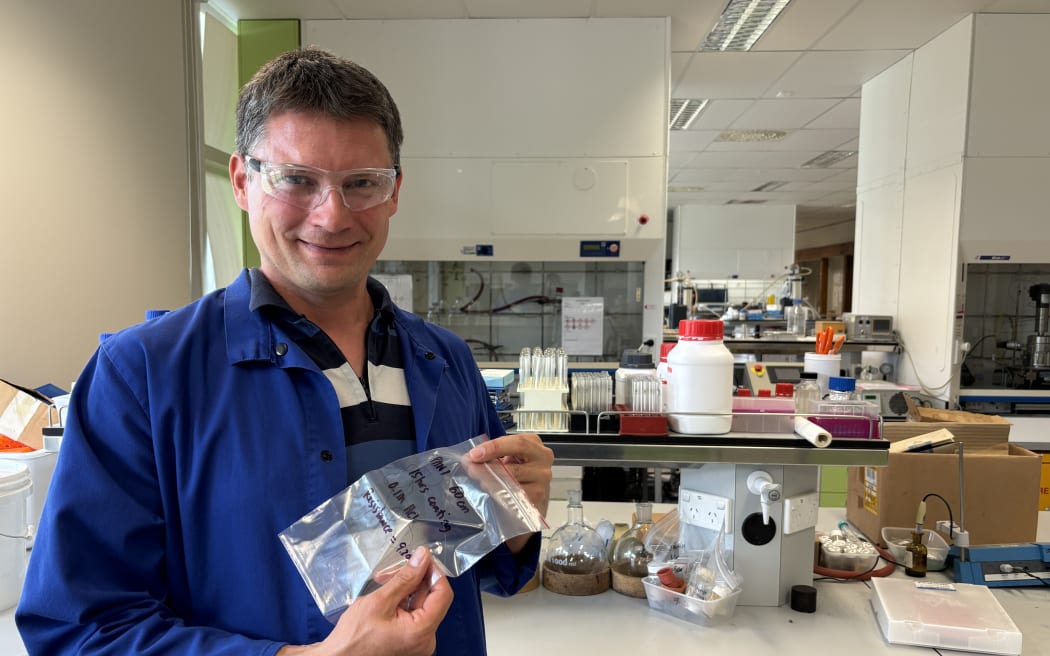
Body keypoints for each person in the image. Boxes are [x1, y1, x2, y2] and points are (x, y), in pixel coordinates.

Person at [16, 47, 553, 656]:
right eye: (296, 179)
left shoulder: (445, 360)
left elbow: (480, 571)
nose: (331, 216)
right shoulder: (142, 376)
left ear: (394, 191)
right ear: (243, 181)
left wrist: (514, 519)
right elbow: (81, 628)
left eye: (362, 184)